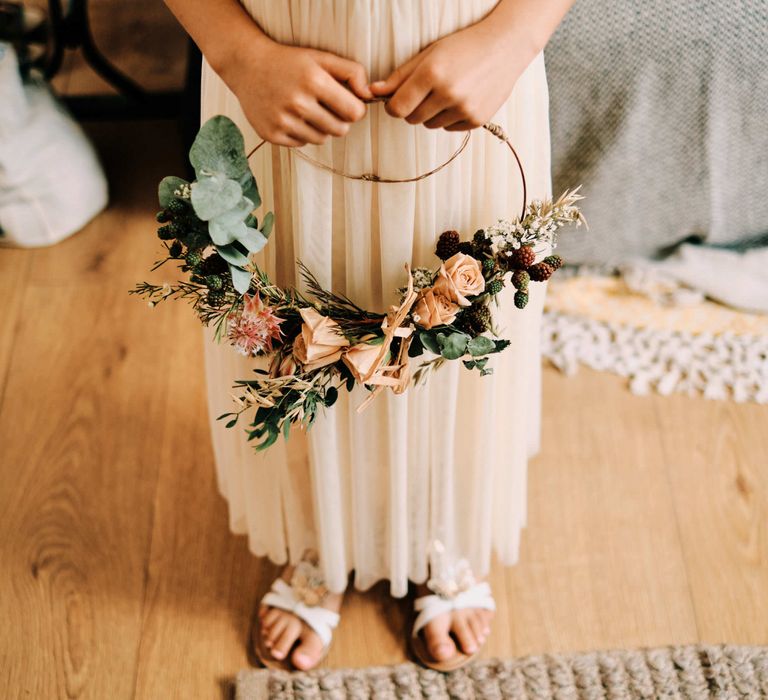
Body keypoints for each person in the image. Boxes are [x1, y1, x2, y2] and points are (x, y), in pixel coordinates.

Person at [165, 0, 575, 672]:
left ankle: (443, 528)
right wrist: (240, 54)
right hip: (278, 51)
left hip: (470, 49)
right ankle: (317, 534)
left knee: (454, 321)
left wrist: (514, 35)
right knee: (292, 314)